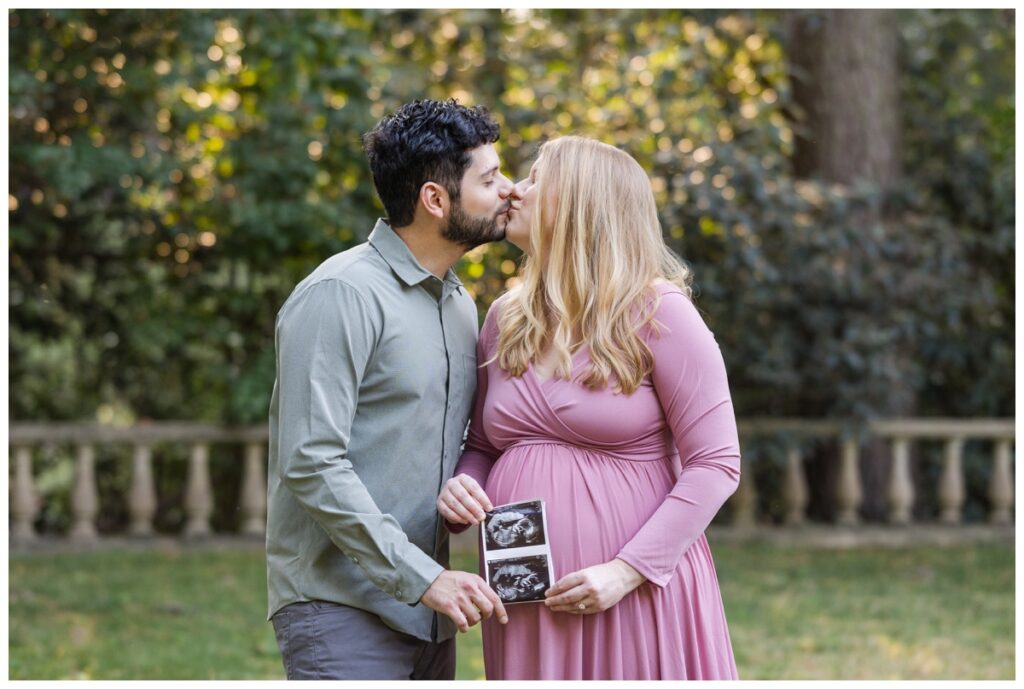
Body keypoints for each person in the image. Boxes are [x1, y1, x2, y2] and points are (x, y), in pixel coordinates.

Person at [438, 135, 741, 679]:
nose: (514, 191)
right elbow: (483, 446)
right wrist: (464, 482)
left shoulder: (660, 313)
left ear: (579, 205)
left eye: (534, 181)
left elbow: (716, 464)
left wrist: (626, 572)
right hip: (525, 589)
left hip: (634, 587)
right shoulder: (506, 318)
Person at [265, 98, 512, 681]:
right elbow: (310, 462)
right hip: (341, 607)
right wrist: (422, 577)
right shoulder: (340, 294)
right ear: (435, 199)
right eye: (490, 178)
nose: (508, 190)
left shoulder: (459, 305)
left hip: (430, 615)